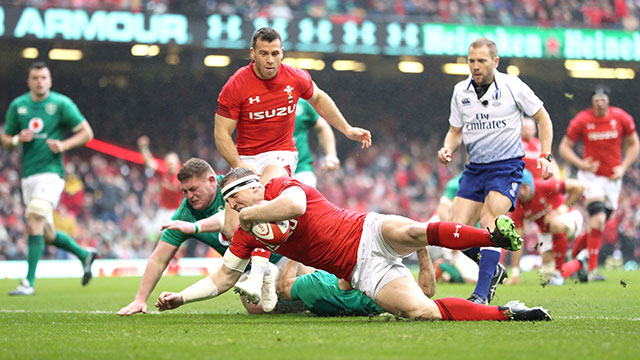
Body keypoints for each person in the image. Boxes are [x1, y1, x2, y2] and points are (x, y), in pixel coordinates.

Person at [156, 168, 551, 322]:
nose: (233, 208)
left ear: (253, 189)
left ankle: (491, 237)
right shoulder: (245, 230)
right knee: (422, 312)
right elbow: (223, 278)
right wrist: (182, 298)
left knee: (416, 231)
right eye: (229, 204)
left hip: (366, 230)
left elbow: (294, 205)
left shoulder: (279, 187)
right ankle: (507, 313)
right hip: (361, 271)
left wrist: (250, 213)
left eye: (234, 199)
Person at [213, 27, 371, 308]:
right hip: (246, 157)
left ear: (282, 53)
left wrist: (346, 129)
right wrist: (240, 169)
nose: (270, 59)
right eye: (263, 53)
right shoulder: (236, 84)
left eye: (275, 53)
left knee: (264, 205)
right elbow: (221, 134)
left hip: (280, 154)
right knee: (230, 228)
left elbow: (319, 99)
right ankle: (269, 269)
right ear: (253, 54)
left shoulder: (295, 77)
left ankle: (273, 272)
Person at [437, 37, 554, 305]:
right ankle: (492, 266)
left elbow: (542, 117)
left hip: (506, 167)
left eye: (481, 61)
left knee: (490, 219)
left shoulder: (512, 86)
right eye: (471, 61)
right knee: (454, 233)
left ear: (495, 62)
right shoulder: (460, 91)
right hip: (475, 168)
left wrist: (546, 155)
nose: (475, 66)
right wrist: (447, 148)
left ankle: (481, 294)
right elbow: (455, 132)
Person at [117, 158, 282, 315]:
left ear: (212, 181)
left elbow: (226, 220)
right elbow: (158, 259)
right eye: (184, 191)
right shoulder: (185, 215)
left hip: (283, 253)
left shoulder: (234, 188)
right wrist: (140, 299)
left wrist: (195, 227)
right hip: (247, 270)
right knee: (256, 306)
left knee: (287, 286)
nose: (189, 196)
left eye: (193, 189)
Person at [2, 62, 97, 295]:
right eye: (35, 78)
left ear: (50, 81)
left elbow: (87, 133)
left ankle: (29, 283)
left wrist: (63, 145)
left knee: (34, 216)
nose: (40, 81)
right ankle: (85, 255)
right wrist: (16, 140)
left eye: (44, 77)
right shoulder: (19, 106)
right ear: (29, 81)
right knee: (46, 233)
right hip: (28, 176)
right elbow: (5, 137)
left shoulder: (61, 104)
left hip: (51, 173)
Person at [559, 85, 639, 281]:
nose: (600, 103)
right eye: (597, 100)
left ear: (608, 101)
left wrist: (623, 167)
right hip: (590, 178)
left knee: (597, 225)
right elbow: (564, 147)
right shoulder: (582, 120)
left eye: (603, 100)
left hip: (612, 179)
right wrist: (580, 164)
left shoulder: (621, 118)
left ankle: (573, 259)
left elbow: (634, 144)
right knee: (599, 219)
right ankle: (592, 271)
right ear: (592, 102)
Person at [276, 247, 435, 317]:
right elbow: (425, 293)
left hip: (317, 295)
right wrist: (422, 251)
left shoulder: (317, 283)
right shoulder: (378, 297)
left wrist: (294, 252)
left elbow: (282, 288)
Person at [508, 117, 562, 284]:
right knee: (515, 232)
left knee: (549, 229)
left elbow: (553, 162)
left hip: (540, 194)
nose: (529, 131)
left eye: (532, 128)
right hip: (521, 194)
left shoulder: (540, 144)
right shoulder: (515, 143)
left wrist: (557, 180)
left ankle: (557, 268)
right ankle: (514, 271)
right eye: (526, 128)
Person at [510, 170, 585, 286]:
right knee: (548, 275)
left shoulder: (544, 185)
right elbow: (517, 240)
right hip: (547, 232)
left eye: (525, 187)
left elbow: (578, 186)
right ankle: (579, 264)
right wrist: (515, 273)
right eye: (518, 188)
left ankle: (559, 271)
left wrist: (561, 210)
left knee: (554, 223)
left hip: (569, 217)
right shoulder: (517, 206)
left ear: (531, 184)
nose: (522, 192)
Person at [137, 135, 183, 238]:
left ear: (177, 163)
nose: (171, 165)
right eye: (169, 163)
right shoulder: (164, 172)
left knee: (170, 236)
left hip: (174, 211)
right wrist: (144, 148)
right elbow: (150, 163)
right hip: (162, 210)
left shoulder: (182, 176)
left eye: (173, 163)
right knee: (154, 235)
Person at [292, 98, 340, 187]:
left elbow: (322, 127)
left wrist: (331, 154)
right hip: (267, 172)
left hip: (301, 170)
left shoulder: (301, 103)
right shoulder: (259, 102)